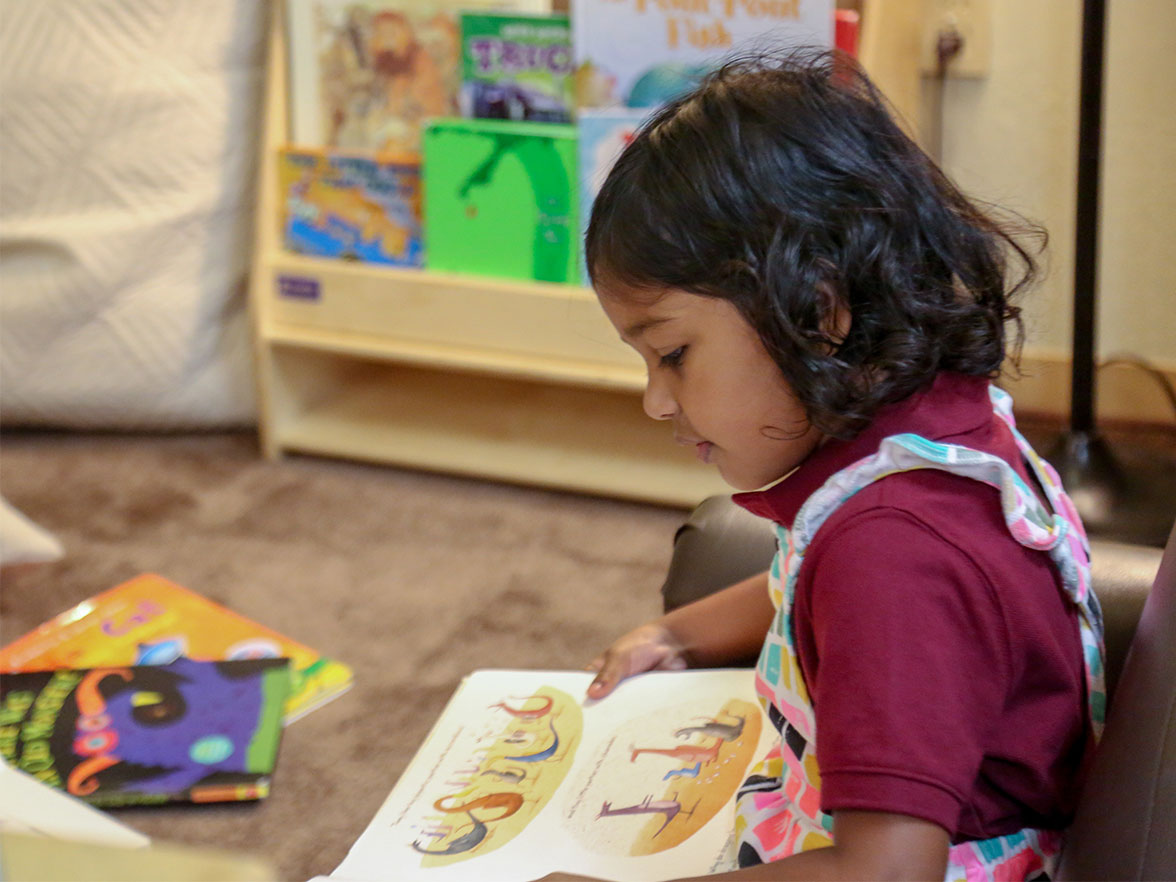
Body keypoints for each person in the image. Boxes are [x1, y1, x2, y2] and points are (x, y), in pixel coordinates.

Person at [569, 49, 1105, 882]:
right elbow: (809, 581)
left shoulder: (895, 555)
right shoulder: (933, 432)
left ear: (817, 310)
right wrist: (679, 633)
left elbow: (886, 871)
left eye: (672, 353)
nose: (656, 401)